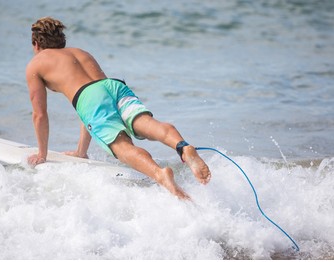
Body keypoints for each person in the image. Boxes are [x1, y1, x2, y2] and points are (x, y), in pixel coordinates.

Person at [26, 17, 211, 200]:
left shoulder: (36, 64)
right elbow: (98, 97)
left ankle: (160, 174)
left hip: (89, 98)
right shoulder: (80, 53)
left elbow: (40, 115)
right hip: (114, 87)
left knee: (122, 146)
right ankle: (183, 147)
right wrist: (80, 152)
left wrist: (42, 154)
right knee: (147, 124)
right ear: (62, 40)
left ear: (36, 44)